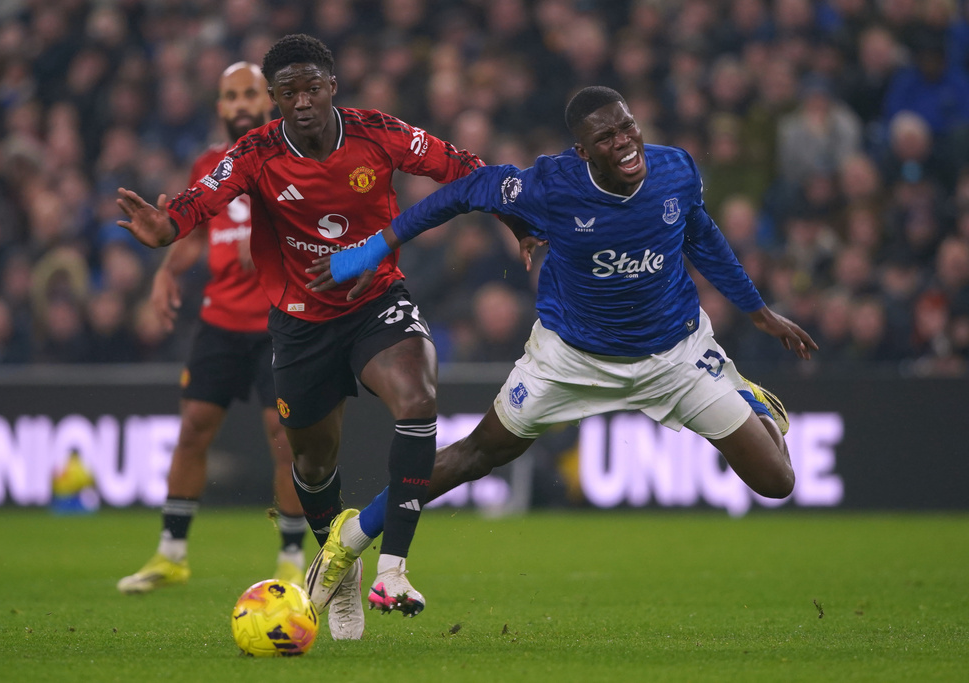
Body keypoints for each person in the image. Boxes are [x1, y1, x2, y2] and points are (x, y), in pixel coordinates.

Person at [304, 86, 819, 614]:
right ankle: (351, 538)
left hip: (676, 355)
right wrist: (365, 253)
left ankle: (747, 395)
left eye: (627, 127)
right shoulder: (548, 186)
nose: (624, 143)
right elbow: (456, 194)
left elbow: (701, 233)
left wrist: (758, 312)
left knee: (777, 482)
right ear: (584, 151)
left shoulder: (676, 170)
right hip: (570, 358)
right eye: (606, 137)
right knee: (476, 454)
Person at [116, 34, 517, 637]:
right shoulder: (255, 153)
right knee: (310, 459)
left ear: (332, 87)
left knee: (418, 399)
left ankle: (394, 567)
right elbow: (201, 200)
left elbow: (467, 171)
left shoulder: (377, 132)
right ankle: (341, 564)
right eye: (288, 91)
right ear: (275, 100)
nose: (301, 100)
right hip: (301, 323)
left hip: (376, 300)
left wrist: (520, 225)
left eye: (312, 87)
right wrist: (168, 226)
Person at [117, 63, 309, 598]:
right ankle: (172, 553)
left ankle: (291, 558)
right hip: (221, 319)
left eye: (251, 93)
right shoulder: (210, 164)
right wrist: (167, 270)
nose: (243, 103)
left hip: (280, 319)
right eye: (232, 96)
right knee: (193, 428)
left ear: (268, 101)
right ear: (220, 108)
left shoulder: (292, 154)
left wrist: (274, 243)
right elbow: (196, 234)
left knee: (285, 440)